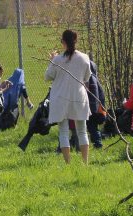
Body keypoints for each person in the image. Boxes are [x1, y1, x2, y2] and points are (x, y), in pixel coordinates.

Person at [45, 30, 91, 164]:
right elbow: (86, 77)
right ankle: (85, 163)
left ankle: (68, 163)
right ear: (76, 41)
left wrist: (52, 61)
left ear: (63, 42)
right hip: (79, 96)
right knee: (82, 131)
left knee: (63, 132)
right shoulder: (84, 58)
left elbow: (48, 76)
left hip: (60, 97)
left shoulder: (58, 59)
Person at [86, 61, 106, 149]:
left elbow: (92, 95)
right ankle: (97, 143)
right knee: (93, 128)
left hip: (91, 109)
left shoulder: (89, 79)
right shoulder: (95, 79)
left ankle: (98, 144)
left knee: (92, 128)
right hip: (95, 108)